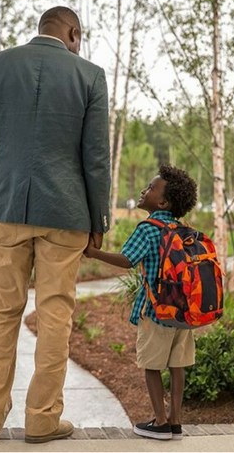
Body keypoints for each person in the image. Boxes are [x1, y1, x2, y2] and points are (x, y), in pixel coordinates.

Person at [0, 6, 110, 444]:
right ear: (72, 31)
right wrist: (98, 217)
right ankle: (43, 418)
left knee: (0, 312)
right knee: (55, 316)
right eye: (79, 37)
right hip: (66, 215)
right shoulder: (90, 76)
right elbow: (96, 157)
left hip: (6, 208)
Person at [84, 164, 198, 441]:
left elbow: (127, 260)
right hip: (183, 312)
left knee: (151, 365)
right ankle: (176, 421)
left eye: (150, 188)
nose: (143, 190)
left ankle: (159, 422)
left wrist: (93, 253)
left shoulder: (148, 228)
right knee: (177, 365)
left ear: (162, 202)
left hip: (156, 310)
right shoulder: (183, 229)